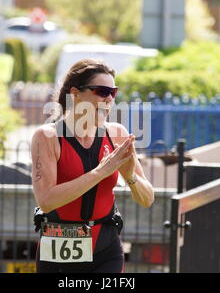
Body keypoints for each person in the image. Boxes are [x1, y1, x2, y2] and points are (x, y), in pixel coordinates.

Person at [30, 59, 154, 273]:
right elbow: (47, 201)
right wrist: (101, 171)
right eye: (101, 91)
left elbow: (147, 199)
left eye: (113, 93)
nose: (109, 99)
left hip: (106, 246)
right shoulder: (48, 137)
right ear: (75, 93)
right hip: (60, 246)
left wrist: (130, 177)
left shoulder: (116, 135)